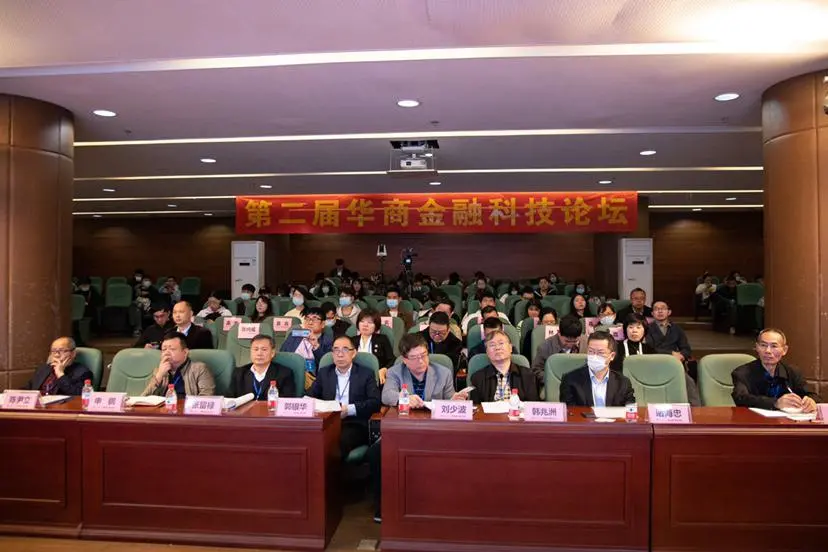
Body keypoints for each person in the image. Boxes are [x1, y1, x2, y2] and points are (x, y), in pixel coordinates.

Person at [309, 336, 380, 457]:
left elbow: (375, 402)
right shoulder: (324, 373)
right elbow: (310, 396)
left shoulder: (366, 373)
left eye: (345, 350)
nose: (340, 354)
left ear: (354, 353)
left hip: (355, 424)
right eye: (336, 350)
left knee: (335, 442)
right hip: (327, 422)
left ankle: (331, 469)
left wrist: (349, 410)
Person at [731, 329, 820, 411]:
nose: (768, 351)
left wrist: (811, 401)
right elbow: (741, 398)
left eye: (774, 346)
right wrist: (775, 403)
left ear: (784, 350)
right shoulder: (742, 373)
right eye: (763, 345)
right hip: (754, 420)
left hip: (786, 421)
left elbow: (812, 395)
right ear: (757, 347)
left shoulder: (793, 372)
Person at [560, 331, 636, 407]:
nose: (595, 357)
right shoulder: (570, 380)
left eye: (600, 353)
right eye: (591, 351)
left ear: (612, 356)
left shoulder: (623, 383)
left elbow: (630, 410)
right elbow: (569, 411)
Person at [470, 330, 539, 403]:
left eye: (501, 343)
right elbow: (476, 408)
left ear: (510, 348)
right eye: (492, 345)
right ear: (487, 352)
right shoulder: (478, 378)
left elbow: (533, 406)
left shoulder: (527, 375)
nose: (497, 348)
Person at [141, 332, 216, 397]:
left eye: (172, 349)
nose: (167, 353)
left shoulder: (199, 369)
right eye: (164, 350)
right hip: (165, 408)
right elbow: (144, 399)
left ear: (185, 352)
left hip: (187, 409)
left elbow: (207, 398)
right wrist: (159, 375)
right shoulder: (159, 370)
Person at [232, 334, 296, 399]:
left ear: (272, 353)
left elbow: (286, 401)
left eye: (264, 349)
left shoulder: (284, 374)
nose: (259, 353)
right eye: (256, 349)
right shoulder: (239, 373)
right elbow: (229, 400)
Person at [24, 337, 92, 395]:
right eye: (53, 351)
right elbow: (28, 389)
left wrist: (60, 374)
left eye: (61, 351)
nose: (56, 355)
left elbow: (78, 395)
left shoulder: (83, 372)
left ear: (73, 353)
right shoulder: (43, 369)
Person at [531, 315, 583, 387]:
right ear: (559, 333)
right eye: (567, 341)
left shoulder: (585, 343)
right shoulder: (545, 347)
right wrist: (553, 380)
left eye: (574, 341)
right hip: (554, 385)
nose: (570, 345)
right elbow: (536, 370)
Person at [280, 306, 333, 373]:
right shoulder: (294, 336)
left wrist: (316, 346)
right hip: (290, 372)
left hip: (313, 376)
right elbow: (282, 355)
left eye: (315, 319)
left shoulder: (328, 342)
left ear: (323, 324)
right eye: (307, 319)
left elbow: (326, 365)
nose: (310, 322)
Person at [350, 309, 395, 384]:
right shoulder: (351, 340)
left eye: (370, 322)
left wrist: (384, 369)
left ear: (376, 325)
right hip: (354, 378)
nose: (365, 325)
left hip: (375, 378)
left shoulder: (382, 339)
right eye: (362, 321)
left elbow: (392, 360)